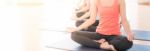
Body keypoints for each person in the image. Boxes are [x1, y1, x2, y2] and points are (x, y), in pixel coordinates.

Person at [67, 0, 134, 51]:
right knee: (74, 34)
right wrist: (76, 29)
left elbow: (124, 20)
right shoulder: (96, 1)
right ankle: (101, 45)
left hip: (114, 36)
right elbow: (91, 20)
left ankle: (107, 43)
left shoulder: (120, 1)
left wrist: (129, 33)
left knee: (128, 42)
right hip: (99, 34)